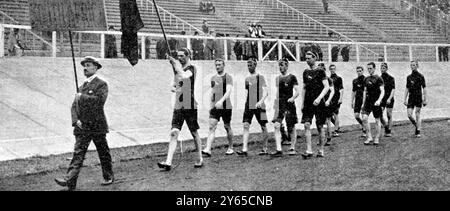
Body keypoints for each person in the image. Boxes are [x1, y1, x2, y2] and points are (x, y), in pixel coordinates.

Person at [55, 57, 114, 191]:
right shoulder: (81, 87)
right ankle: (70, 181)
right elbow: (74, 106)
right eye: (84, 66)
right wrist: (76, 121)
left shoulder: (101, 84)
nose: (85, 68)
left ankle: (108, 176)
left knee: (103, 152)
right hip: (83, 126)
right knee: (78, 153)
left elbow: (99, 102)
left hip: (97, 125)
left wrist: (82, 97)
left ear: (95, 68)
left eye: (88, 65)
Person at [157, 48, 203, 171]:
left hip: (190, 105)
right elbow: (173, 85)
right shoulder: (179, 70)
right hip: (179, 105)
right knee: (174, 132)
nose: (180, 58)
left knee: (194, 132)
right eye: (178, 56)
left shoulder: (191, 69)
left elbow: (184, 76)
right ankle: (168, 162)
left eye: (182, 56)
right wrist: (174, 86)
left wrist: (174, 65)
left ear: (188, 56)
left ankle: (199, 157)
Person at [236, 59, 269, 156]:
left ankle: (265, 148)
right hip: (249, 105)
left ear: (255, 65)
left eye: (251, 65)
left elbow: (266, 92)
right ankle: (244, 149)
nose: (249, 67)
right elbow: (247, 92)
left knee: (263, 126)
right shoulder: (247, 79)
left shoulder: (260, 77)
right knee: (246, 125)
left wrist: (261, 101)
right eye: (248, 65)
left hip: (260, 105)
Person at [202, 59, 235, 156]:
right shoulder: (213, 78)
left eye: (219, 65)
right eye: (216, 65)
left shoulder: (228, 77)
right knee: (211, 127)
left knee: (227, 126)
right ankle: (208, 149)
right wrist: (211, 104)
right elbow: (212, 91)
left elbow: (228, 92)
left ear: (223, 65)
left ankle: (230, 147)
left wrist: (221, 101)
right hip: (215, 107)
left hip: (226, 105)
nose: (217, 67)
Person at [300, 51, 329, 159]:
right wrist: (302, 103)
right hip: (308, 103)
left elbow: (326, 87)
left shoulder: (320, 71)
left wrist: (319, 98)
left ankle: (321, 150)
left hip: (318, 102)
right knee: (306, 124)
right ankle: (309, 150)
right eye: (306, 58)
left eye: (309, 58)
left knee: (320, 126)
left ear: (314, 58)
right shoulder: (305, 72)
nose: (307, 60)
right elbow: (304, 88)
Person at [270, 58, 300, 157]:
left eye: (282, 65)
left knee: (291, 127)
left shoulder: (292, 77)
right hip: (280, 105)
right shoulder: (278, 78)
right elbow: (278, 92)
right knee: (276, 125)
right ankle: (279, 149)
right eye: (279, 65)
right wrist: (276, 103)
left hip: (289, 105)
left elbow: (297, 91)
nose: (280, 67)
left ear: (287, 66)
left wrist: (292, 98)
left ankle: (292, 148)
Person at [361, 62, 385, 145]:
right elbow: (364, 91)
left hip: (376, 102)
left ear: (374, 68)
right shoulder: (366, 79)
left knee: (377, 119)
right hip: (368, 101)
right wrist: (363, 103)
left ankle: (377, 137)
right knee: (364, 118)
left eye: (371, 68)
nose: (369, 70)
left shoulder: (378, 78)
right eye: (368, 68)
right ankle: (369, 136)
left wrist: (379, 100)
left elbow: (382, 91)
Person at [404, 60, 427, 138]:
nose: (412, 67)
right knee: (409, 115)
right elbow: (407, 88)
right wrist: (404, 99)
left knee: (417, 114)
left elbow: (424, 88)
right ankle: (417, 126)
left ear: (417, 66)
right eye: (411, 65)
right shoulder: (409, 77)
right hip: (411, 98)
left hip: (418, 97)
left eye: (414, 65)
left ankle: (418, 130)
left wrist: (425, 99)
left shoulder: (421, 76)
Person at [380, 63, 395, 137]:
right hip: (382, 99)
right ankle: (386, 125)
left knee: (389, 115)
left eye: (383, 68)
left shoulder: (391, 78)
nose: (382, 69)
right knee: (379, 114)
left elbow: (393, 89)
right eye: (381, 68)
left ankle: (389, 130)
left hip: (389, 98)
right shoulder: (379, 78)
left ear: (386, 68)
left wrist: (389, 98)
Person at [351, 66, 367, 137]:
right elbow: (353, 91)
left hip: (364, 99)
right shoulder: (355, 81)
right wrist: (352, 101)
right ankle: (363, 126)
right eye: (358, 71)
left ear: (363, 71)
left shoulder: (366, 79)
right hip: (357, 100)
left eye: (360, 71)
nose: (359, 72)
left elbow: (366, 91)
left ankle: (365, 131)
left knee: (363, 116)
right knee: (356, 116)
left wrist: (364, 102)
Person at [329, 64, 344, 137]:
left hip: (336, 98)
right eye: (331, 69)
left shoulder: (338, 78)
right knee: (329, 115)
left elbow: (341, 89)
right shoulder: (328, 78)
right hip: (330, 99)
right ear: (329, 70)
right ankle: (337, 126)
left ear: (335, 69)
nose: (332, 70)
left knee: (335, 114)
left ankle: (335, 131)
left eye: (333, 69)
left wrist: (340, 98)